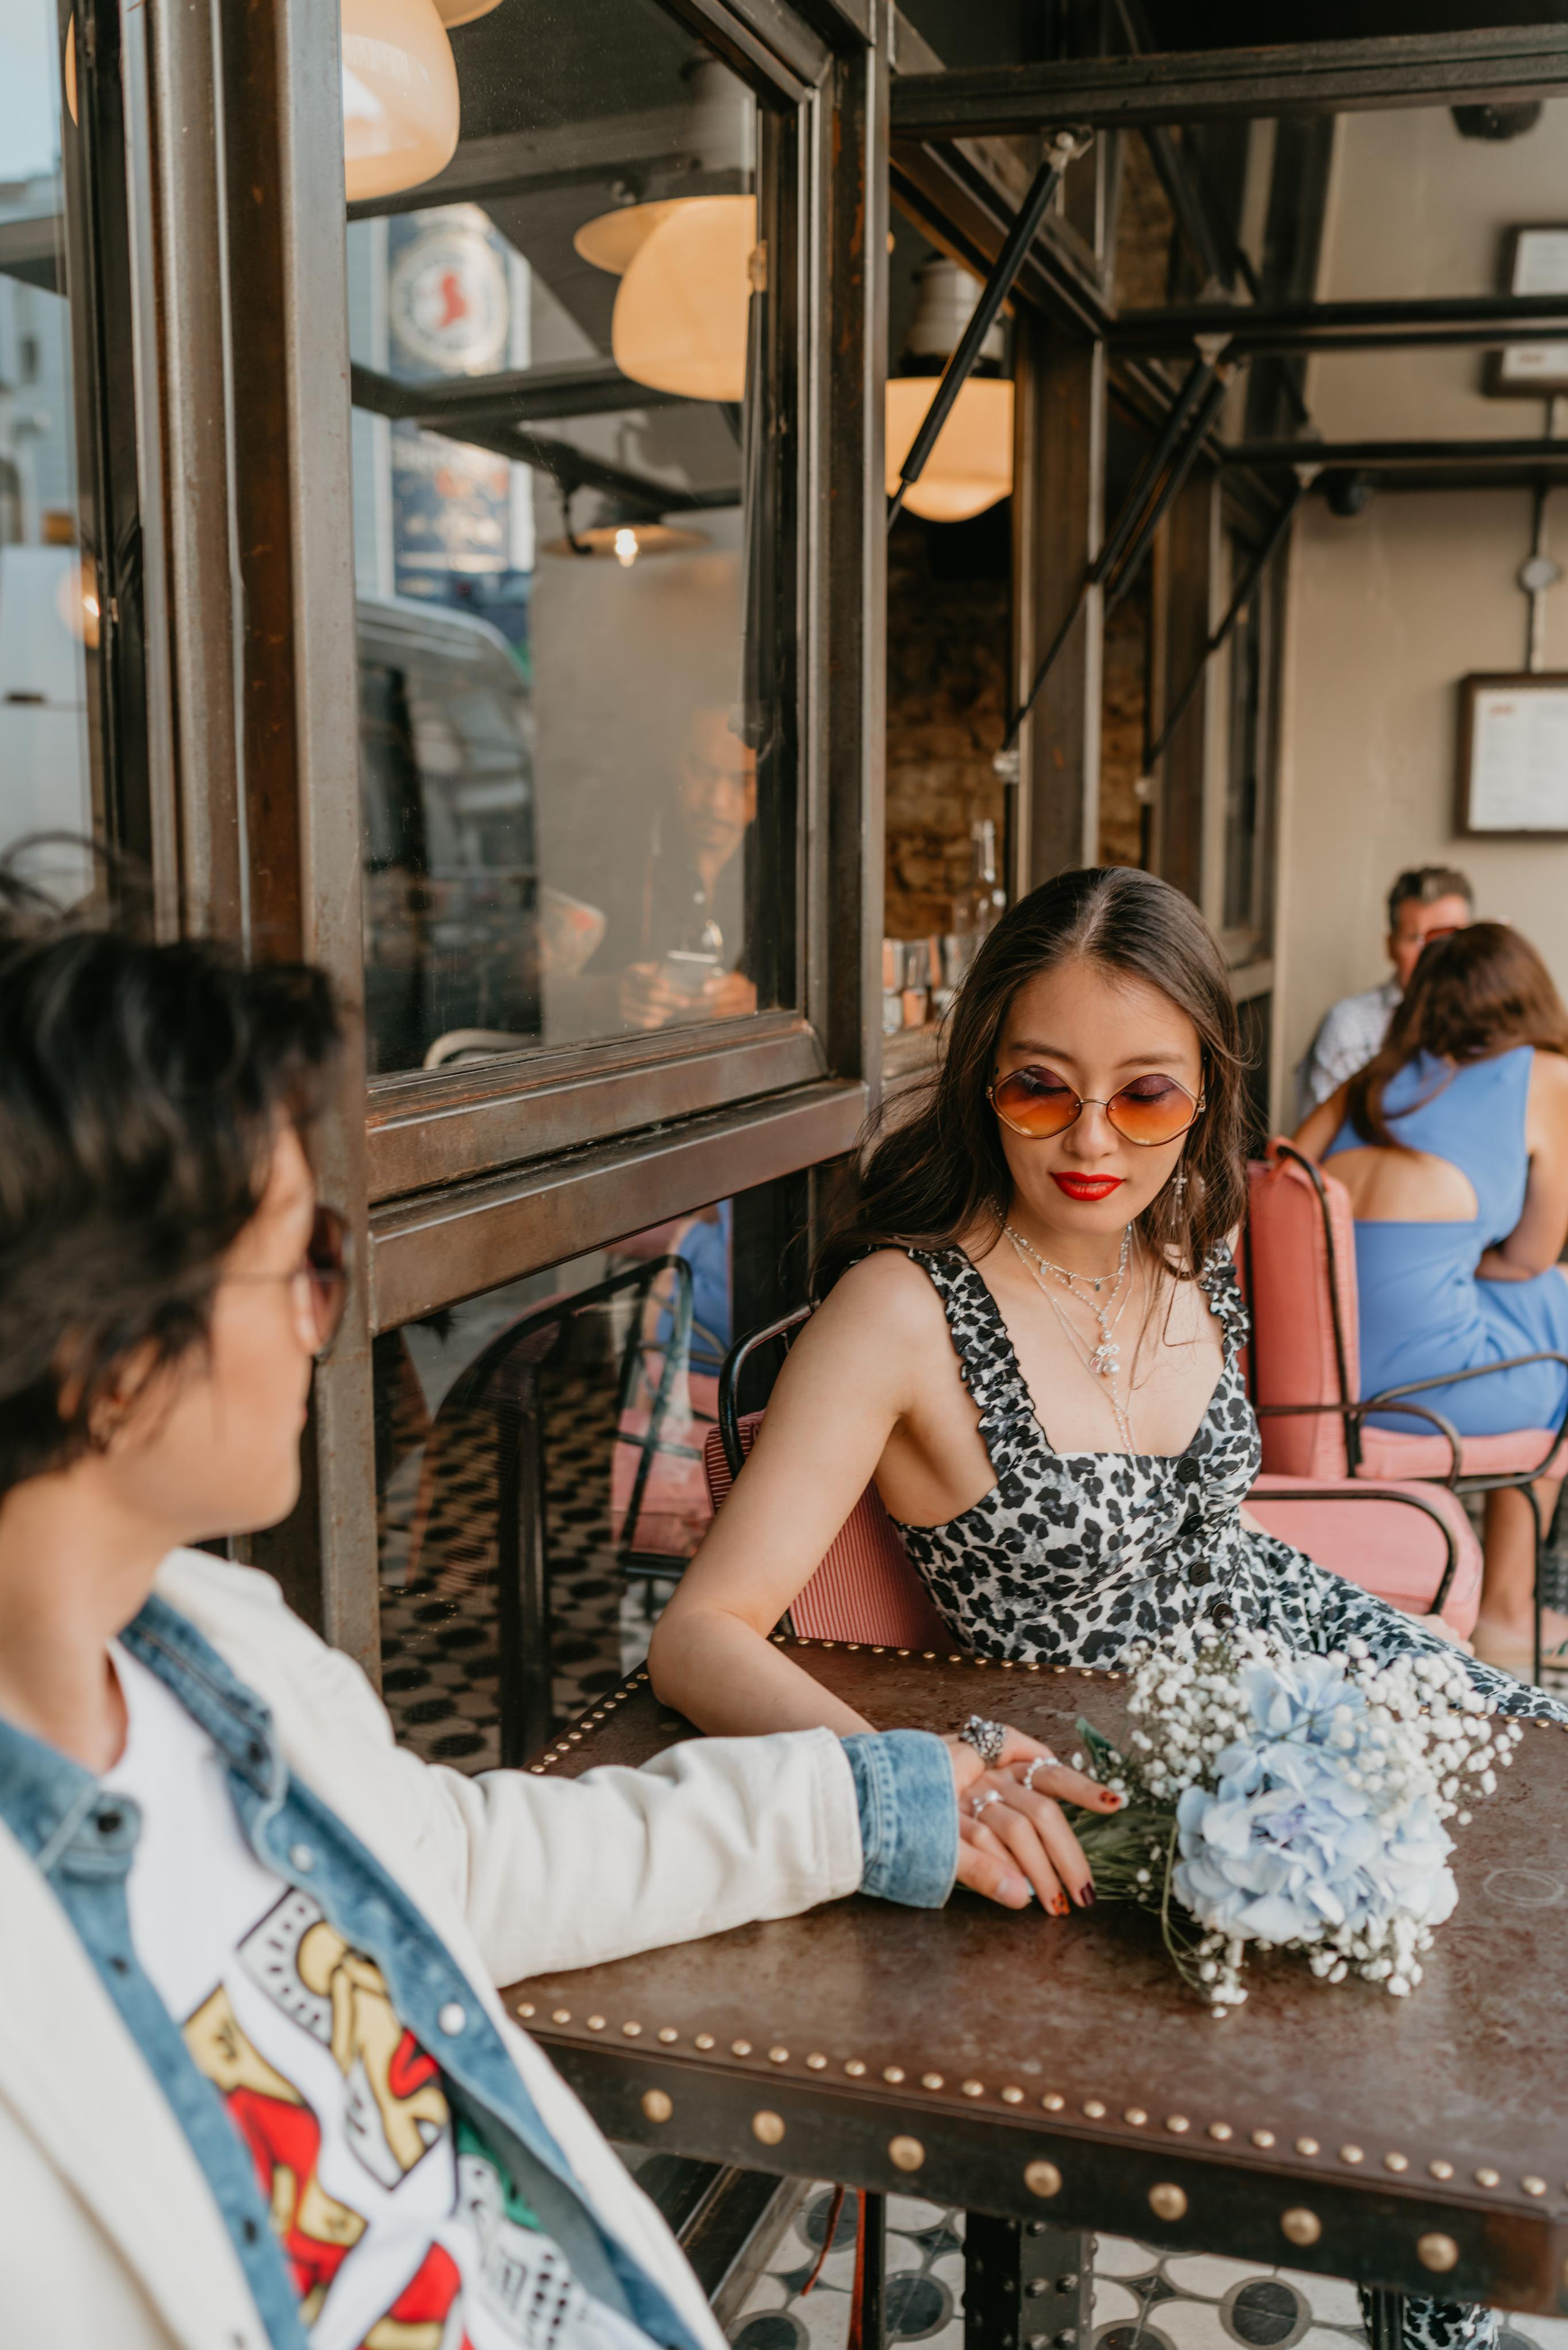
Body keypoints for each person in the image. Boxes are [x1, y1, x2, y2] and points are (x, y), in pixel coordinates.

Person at [0, 889, 1127, 2349]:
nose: (330, 1321)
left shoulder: (210, 1653)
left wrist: (883, 1796)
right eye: (302, 1265)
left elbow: (457, 1859)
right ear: (103, 1353)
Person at [650, 865, 1562, 2350]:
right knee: (1400, 1965)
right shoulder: (903, 1309)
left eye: (1142, 1099)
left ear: (1202, 1093)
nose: (1089, 1141)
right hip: (1132, 1754)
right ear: (979, 1082)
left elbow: (1214, 1533)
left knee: (1536, 1752)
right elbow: (699, 1632)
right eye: (1038, 1088)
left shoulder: (1186, 1250)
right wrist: (913, 1778)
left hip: (1287, 1657)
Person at [1294, 923, 1568, 1674]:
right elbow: (1529, 1257)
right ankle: (1511, 1611)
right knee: (1556, 1306)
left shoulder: (1363, 1089)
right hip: (1428, 1392)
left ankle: (1495, 1602)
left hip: (1314, 1390)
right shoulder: (1543, 1076)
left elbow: (1275, 1192)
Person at [1297, 864, 1473, 1113]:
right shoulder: (1349, 1025)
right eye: (1414, 939)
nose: (1431, 954)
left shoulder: (1494, 1022)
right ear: (1390, 947)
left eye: (1446, 938)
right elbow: (1320, 1146)